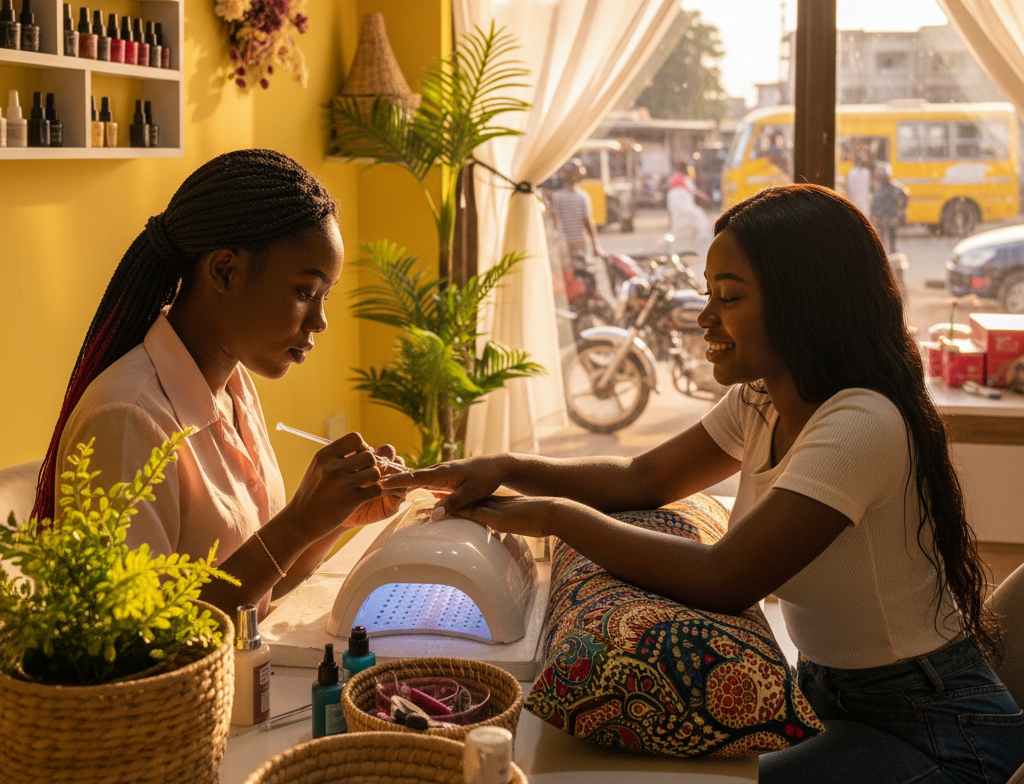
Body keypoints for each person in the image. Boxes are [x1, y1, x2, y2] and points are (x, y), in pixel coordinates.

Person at [387, 184, 1024, 784]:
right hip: (828, 693)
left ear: (805, 302)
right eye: (708, 294)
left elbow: (726, 579)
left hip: (933, 729)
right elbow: (644, 479)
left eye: (729, 297)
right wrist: (504, 466)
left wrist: (553, 515)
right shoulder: (766, 399)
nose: (704, 317)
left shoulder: (862, 421)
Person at [31, 149, 405, 618]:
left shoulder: (235, 389)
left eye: (323, 296)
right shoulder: (126, 421)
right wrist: (298, 520)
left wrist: (331, 518)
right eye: (305, 292)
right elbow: (141, 640)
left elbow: (259, 589)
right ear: (224, 270)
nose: (320, 321)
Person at [551, 159, 602, 262]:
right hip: (571, 244)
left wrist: (595, 245)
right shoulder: (580, 196)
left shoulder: (560, 196)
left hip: (572, 243)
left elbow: (588, 222)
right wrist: (595, 245)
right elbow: (588, 222)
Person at [665, 165, 712, 271]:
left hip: (678, 204)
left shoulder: (675, 177)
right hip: (682, 204)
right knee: (698, 221)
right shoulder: (683, 179)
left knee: (679, 227)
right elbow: (693, 190)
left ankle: (683, 249)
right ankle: (682, 249)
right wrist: (704, 197)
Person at [871, 161, 909, 253]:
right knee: (884, 240)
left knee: (889, 240)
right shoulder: (881, 190)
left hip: (889, 218)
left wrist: (901, 211)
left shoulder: (892, 189)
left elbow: (905, 198)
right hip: (885, 218)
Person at [845, 149, 873, 215]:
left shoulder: (866, 173)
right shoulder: (852, 173)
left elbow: (868, 187)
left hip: (864, 200)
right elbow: (849, 187)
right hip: (854, 199)